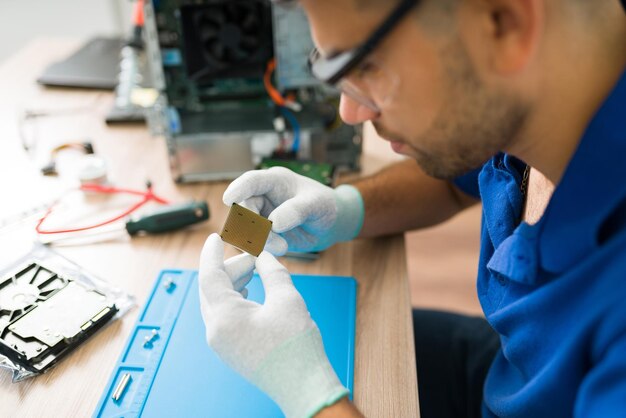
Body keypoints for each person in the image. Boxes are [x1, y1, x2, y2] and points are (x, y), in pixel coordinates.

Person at [198, 0, 626, 417]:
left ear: (504, 23)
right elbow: (459, 179)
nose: (350, 112)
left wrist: (310, 395)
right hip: (509, 375)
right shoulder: (544, 87)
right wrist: (347, 208)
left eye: (365, 65)